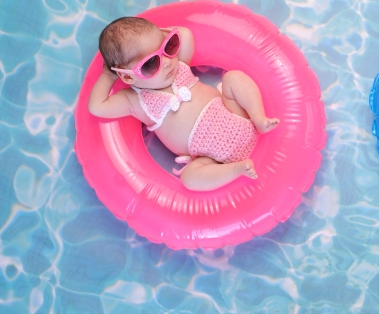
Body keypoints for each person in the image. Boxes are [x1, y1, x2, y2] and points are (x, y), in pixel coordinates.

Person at [88, 17, 279, 191]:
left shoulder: (180, 66)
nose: (166, 63)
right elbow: (97, 106)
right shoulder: (134, 101)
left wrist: (159, 36)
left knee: (234, 78)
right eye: (150, 63)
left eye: (167, 48)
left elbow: (185, 34)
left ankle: (259, 118)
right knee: (189, 178)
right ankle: (235, 170)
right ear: (127, 76)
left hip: (236, 114)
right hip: (213, 159)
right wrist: (108, 75)